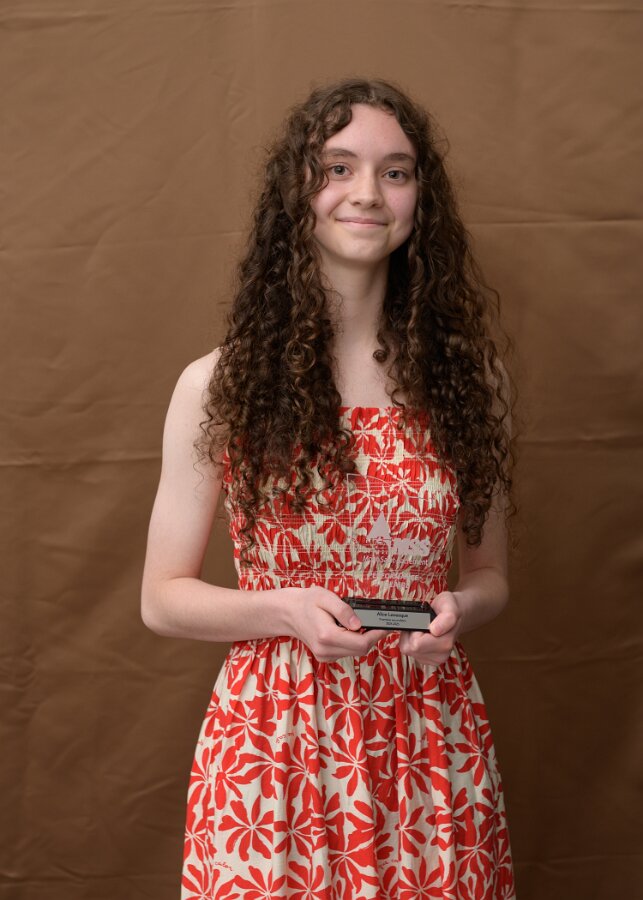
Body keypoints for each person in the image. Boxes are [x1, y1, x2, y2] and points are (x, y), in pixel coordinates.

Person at [141, 76, 516, 899]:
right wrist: (283, 611)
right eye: (337, 167)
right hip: (273, 743)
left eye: (395, 171)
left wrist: (460, 608)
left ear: (420, 200)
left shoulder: (469, 383)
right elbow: (161, 599)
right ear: (297, 194)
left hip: (428, 739)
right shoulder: (219, 386)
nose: (367, 192)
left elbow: (490, 575)